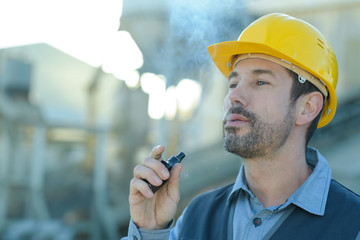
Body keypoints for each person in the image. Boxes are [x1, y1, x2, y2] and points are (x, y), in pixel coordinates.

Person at [123, 13, 360, 240]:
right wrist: (149, 231)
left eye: (260, 82)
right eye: (233, 83)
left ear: (308, 107)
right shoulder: (196, 216)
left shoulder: (353, 224)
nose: (234, 96)